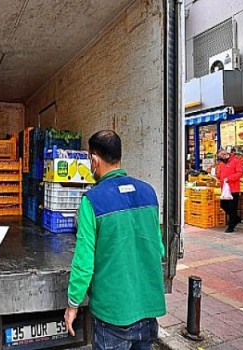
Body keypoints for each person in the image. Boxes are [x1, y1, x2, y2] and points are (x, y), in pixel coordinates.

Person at [64, 130, 166, 350]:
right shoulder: (149, 193)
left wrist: (73, 304)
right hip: (148, 311)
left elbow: (84, 263)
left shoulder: (92, 201)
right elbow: (158, 249)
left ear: (94, 159)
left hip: (112, 316)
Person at [216, 148, 243, 233]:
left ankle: (231, 225)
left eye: (220, 156)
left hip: (233, 188)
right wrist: (217, 175)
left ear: (224, 154)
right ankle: (235, 218)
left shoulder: (236, 161)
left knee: (233, 207)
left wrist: (229, 179)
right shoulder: (221, 163)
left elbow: (240, 173)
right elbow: (219, 174)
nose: (220, 158)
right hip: (224, 189)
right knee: (223, 204)